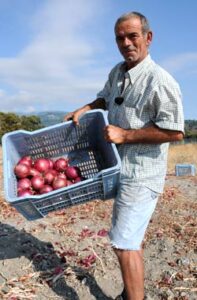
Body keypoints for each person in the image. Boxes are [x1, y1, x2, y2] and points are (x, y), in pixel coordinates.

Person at [64, 11, 184, 300]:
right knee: (129, 238)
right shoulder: (118, 71)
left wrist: (126, 135)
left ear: (148, 38)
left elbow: (176, 132)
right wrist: (87, 107)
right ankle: (132, 291)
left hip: (142, 174)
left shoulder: (160, 81)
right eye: (120, 38)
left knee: (123, 242)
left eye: (133, 36)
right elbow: (105, 97)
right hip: (120, 168)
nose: (127, 43)